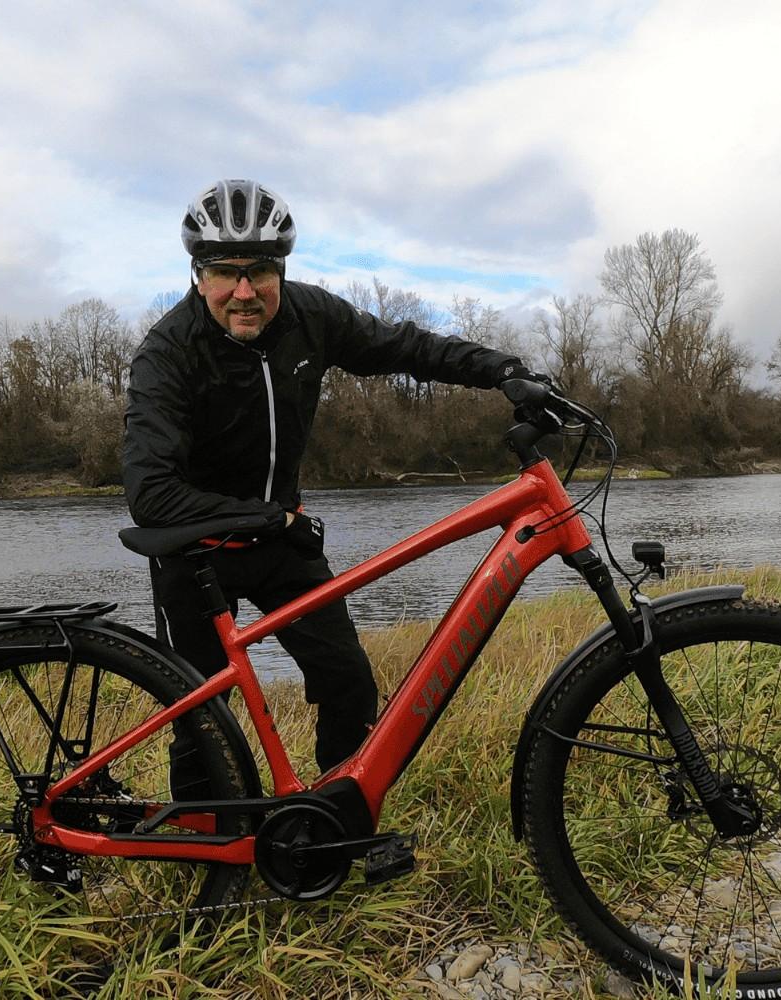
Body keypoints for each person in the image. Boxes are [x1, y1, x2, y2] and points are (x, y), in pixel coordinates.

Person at [121, 179, 538, 778]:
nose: (244, 292)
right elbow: (151, 494)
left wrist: (501, 370)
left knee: (348, 684)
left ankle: (333, 813)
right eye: (225, 273)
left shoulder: (310, 316)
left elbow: (405, 347)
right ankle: (207, 829)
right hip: (194, 552)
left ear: (281, 271)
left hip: (280, 543)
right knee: (203, 720)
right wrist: (269, 517)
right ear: (198, 275)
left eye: (260, 271)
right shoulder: (167, 353)